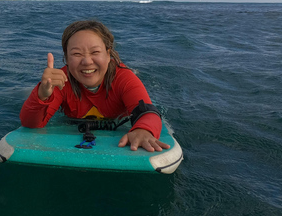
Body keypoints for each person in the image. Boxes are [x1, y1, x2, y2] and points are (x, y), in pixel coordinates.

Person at [20, 20, 170, 152]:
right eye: (76, 54)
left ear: (108, 54)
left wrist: (142, 130)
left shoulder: (124, 79)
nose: (86, 61)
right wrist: (42, 94)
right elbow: (31, 124)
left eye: (95, 52)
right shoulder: (61, 81)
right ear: (66, 57)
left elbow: (148, 113)